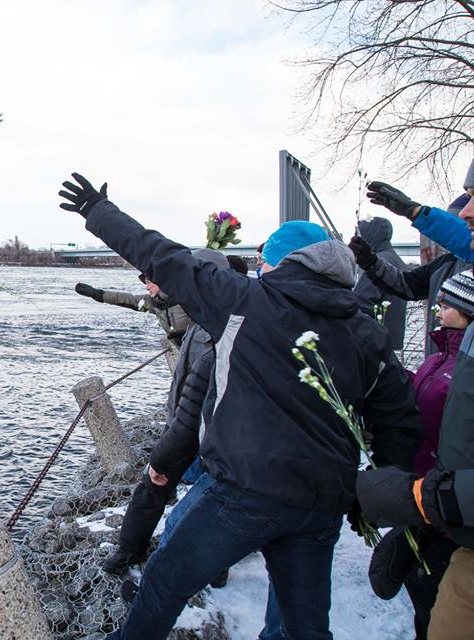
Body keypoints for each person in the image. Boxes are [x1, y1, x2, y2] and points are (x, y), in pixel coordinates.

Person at [57, 172, 422, 640]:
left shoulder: (245, 300)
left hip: (245, 492)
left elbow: (164, 257)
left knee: (164, 584)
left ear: (278, 262)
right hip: (321, 504)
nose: (259, 267)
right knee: (305, 627)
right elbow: (399, 425)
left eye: (264, 260)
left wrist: (97, 211)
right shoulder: (366, 332)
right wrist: (375, 499)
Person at [357, 273, 474, 639]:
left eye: (447, 305)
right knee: (417, 581)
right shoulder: (441, 357)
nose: (437, 312)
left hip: (450, 501)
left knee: (434, 590)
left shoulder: (461, 368)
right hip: (425, 489)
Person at [101, 249, 229, 577]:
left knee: (214, 495)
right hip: (184, 420)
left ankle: (216, 563)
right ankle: (129, 548)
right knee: (153, 484)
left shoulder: (227, 325)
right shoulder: (195, 317)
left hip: (215, 430)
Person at [349, 194, 472, 356]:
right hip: (437, 364)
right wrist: (372, 263)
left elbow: (361, 301)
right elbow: (407, 285)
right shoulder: (444, 264)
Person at [75, 277, 189, 346]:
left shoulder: (184, 297)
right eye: (146, 283)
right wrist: (97, 294)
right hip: (185, 353)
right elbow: (128, 299)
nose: (147, 287)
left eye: (149, 282)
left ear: (160, 282)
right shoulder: (153, 302)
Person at [351, 217, 408, 349]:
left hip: (373, 342)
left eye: (359, 235)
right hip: (391, 340)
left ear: (369, 235)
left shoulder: (377, 263)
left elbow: (360, 302)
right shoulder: (396, 260)